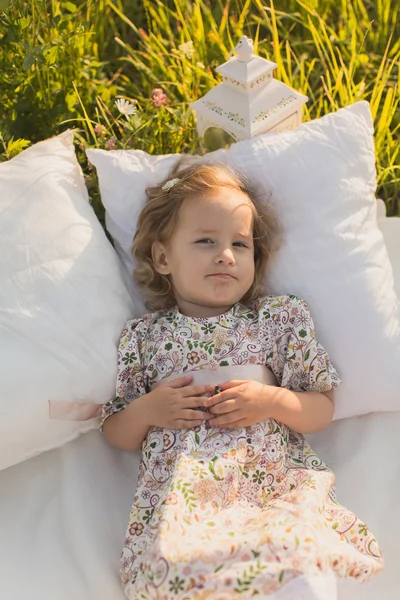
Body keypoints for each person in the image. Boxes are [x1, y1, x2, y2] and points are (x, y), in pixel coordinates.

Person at [101, 159, 383, 599]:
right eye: (205, 241)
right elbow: (117, 430)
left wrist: (272, 401)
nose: (225, 255)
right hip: (187, 498)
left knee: (296, 555)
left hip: (268, 485)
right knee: (177, 568)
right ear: (162, 257)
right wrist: (147, 409)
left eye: (240, 243)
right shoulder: (144, 336)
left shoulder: (276, 319)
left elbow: (321, 408)